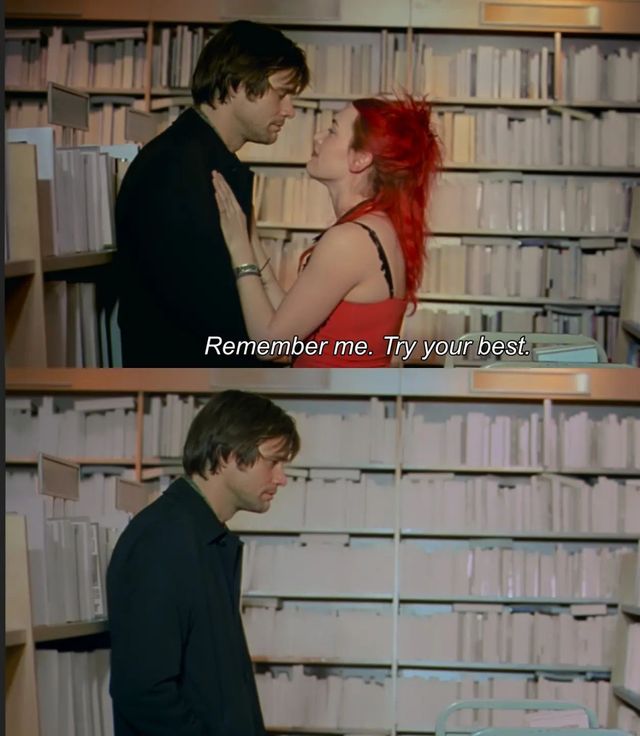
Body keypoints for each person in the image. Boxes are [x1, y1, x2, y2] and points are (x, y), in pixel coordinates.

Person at [114, 20, 309, 367]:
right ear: (236, 85)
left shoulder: (199, 158)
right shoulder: (178, 168)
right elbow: (208, 312)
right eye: (281, 94)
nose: (290, 110)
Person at [107, 389, 300, 736]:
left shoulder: (203, 538)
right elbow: (144, 694)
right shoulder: (160, 540)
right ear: (227, 455)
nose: (282, 478)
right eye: (273, 462)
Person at [211, 95, 442, 367]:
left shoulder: (350, 240)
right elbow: (290, 326)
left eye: (332, 130)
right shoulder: (376, 228)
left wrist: (239, 249)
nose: (318, 137)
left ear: (360, 159)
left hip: (321, 406)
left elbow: (271, 346)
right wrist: (251, 239)